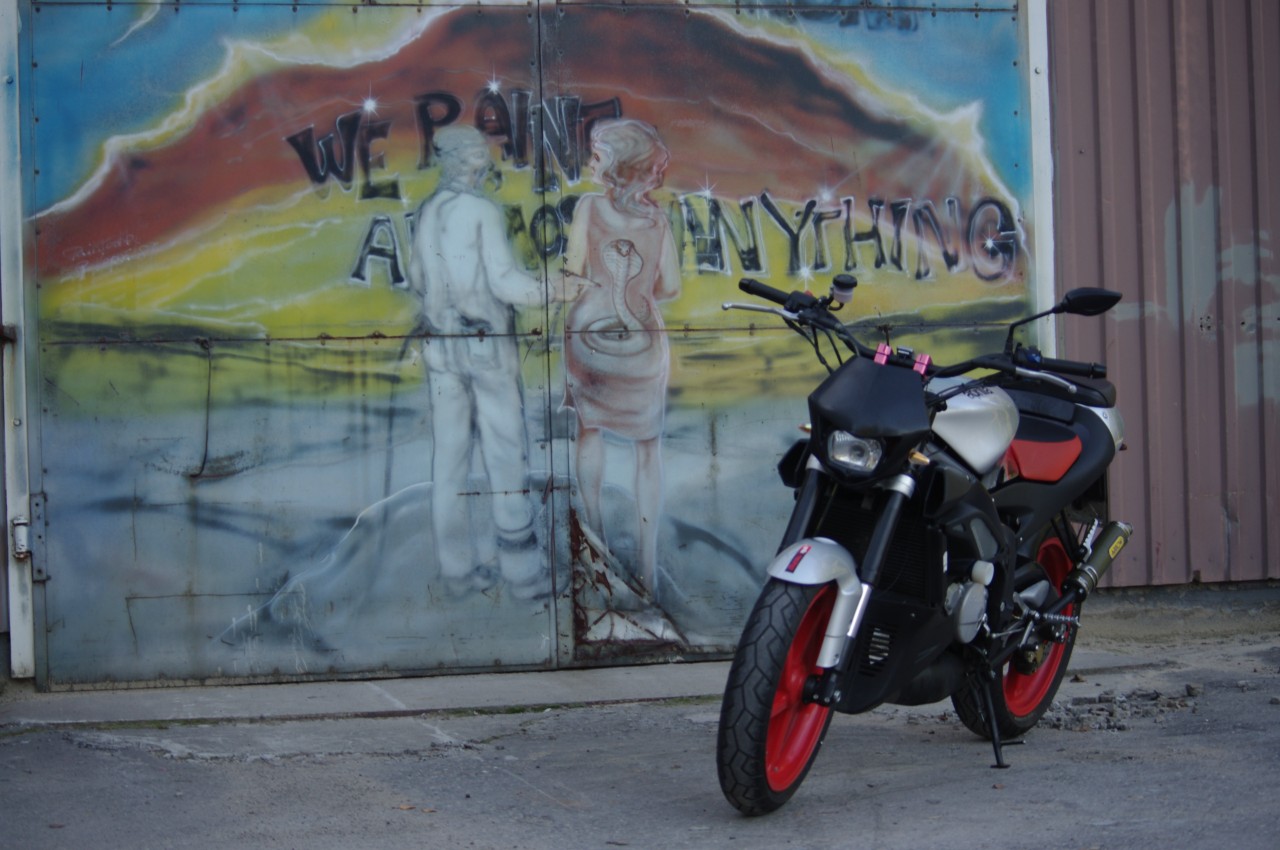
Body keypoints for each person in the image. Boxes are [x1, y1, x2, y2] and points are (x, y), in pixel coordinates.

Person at [407, 125, 545, 599]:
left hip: (441, 346)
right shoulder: (482, 210)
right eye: (481, 155)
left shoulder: (429, 210)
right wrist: (553, 290)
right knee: (505, 453)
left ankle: (456, 570)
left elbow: (417, 278)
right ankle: (522, 574)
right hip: (484, 344)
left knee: (449, 459)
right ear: (473, 161)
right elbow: (505, 283)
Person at [561, 119, 681, 597]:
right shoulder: (657, 221)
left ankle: (597, 548)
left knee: (589, 431)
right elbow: (670, 287)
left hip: (589, 340)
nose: (590, 163)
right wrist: (637, 290)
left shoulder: (589, 208)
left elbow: (573, 270)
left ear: (618, 166)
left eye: (597, 156)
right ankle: (648, 568)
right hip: (644, 344)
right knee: (647, 448)